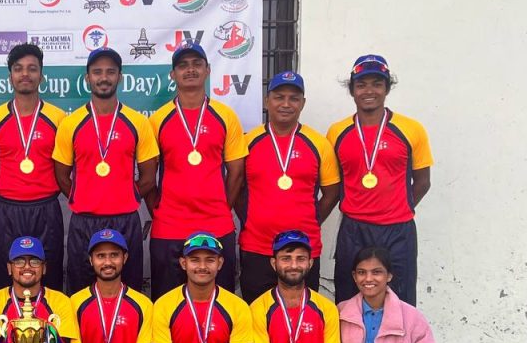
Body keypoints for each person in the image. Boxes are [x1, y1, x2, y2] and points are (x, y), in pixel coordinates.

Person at [327, 55, 433, 306]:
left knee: (400, 302)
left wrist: (396, 207)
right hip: (354, 229)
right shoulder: (337, 132)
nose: (369, 91)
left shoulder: (411, 129)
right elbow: (334, 182)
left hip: (398, 230)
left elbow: (423, 181)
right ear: (352, 90)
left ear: (387, 88)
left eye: (377, 84)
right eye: (361, 85)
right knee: (349, 302)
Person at [53, 47, 159, 293]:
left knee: (129, 291)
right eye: (97, 72)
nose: (104, 77)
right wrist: (83, 197)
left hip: (125, 220)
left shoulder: (138, 122)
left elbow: (148, 177)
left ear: (119, 77)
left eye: (110, 72)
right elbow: (61, 175)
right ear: (87, 78)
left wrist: (126, 197)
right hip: (84, 222)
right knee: (80, 293)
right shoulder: (70, 124)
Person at [148, 43, 246, 298]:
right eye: (183, 65)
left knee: (219, 304)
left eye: (196, 64)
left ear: (207, 70)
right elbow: (148, 175)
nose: (190, 70)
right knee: (167, 304)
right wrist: (159, 210)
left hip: (216, 225)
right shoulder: (157, 120)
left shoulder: (226, 116)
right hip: (169, 227)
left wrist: (222, 208)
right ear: (173, 74)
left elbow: (237, 171)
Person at [239, 71, 340, 300]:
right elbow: (237, 188)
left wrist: (311, 219)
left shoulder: (319, 144)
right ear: (267, 101)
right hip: (257, 247)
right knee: (256, 315)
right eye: (279, 97)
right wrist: (251, 218)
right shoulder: (248, 142)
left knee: (302, 315)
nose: (286, 104)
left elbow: (332, 192)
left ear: (302, 103)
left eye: (294, 98)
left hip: (303, 250)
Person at [0, 44, 67, 291]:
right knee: (3, 276)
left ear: (41, 75)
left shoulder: (59, 119)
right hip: (8, 210)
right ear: (10, 76)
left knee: (49, 278)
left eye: (32, 68)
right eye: (18, 69)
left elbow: (64, 167)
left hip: (46, 210)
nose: (25, 74)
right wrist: (11, 189)